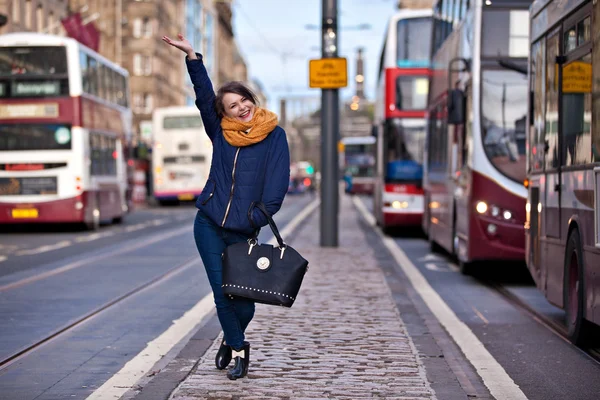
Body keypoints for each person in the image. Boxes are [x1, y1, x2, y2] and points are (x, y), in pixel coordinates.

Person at [162, 34, 290, 380]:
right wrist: (192, 57)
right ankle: (239, 348)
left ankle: (230, 337)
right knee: (222, 294)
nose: (240, 108)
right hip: (208, 224)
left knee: (244, 301)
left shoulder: (274, 135)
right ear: (225, 113)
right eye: (232, 106)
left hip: (243, 230)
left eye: (243, 101)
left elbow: (278, 186)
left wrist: (256, 217)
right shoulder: (220, 132)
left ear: (252, 99)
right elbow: (204, 96)